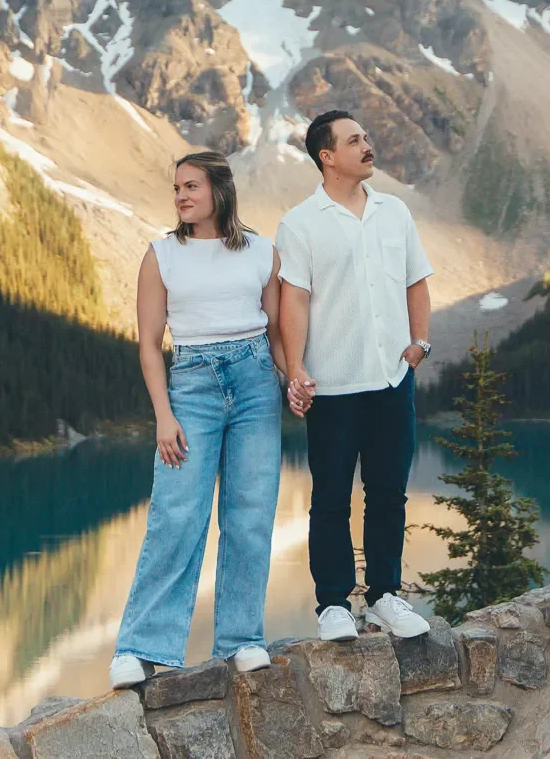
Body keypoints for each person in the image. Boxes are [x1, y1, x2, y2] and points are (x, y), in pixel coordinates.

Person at [110, 150, 285, 687]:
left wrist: (292, 379)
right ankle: (141, 648)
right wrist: (164, 415)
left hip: (257, 382)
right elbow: (148, 345)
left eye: (192, 186)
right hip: (190, 385)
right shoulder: (161, 255)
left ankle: (241, 640)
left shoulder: (262, 250)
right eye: (177, 189)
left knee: (250, 513)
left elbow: (277, 333)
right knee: (178, 514)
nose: (182, 196)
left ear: (219, 190)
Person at [277, 110, 435, 642]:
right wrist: (296, 368)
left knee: (389, 493)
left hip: (392, 380)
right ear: (328, 156)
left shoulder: (395, 212)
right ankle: (333, 606)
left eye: (366, 136)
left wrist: (418, 345)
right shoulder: (301, 223)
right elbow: (292, 299)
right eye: (354, 140)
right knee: (330, 499)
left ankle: (386, 595)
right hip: (334, 386)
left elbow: (417, 281)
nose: (368, 144)